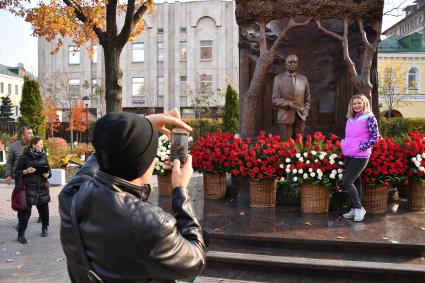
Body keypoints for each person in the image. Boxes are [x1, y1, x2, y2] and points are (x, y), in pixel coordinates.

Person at [59, 110, 206, 283]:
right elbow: (195, 262)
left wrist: (139, 127)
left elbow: (101, 154)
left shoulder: (71, 195)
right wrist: (180, 191)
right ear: (146, 163)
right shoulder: (153, 226)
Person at [341, 94, 379, 222]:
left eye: (359, 103)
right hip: (348, 154)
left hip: (361, 155)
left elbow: (375, 137)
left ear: (364, 104)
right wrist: (344, 143)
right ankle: (355, 208)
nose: (357, 105)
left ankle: (359, 208)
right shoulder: (351, 119)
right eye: (354, 103)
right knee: (356, 182)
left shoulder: (370, 118)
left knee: (347, 182)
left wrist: (362, 147)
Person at [14, 136, 51, 244]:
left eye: (42, 144)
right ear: (34, 145)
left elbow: (49, 171)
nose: (42, 146)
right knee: (25, 212)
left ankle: (45, 227)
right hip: (28, 189)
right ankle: (21, 234)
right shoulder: (24, 158)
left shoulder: (44, 156)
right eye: (40, 144)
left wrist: (47, 174)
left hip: (42, 188)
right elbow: (16, 172)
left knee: (44, 210)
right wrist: (26, 171)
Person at [272, 54, 311, 141]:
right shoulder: (278, 79)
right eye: (290, 62)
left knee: (298, 145)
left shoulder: (303, 79)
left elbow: (307, 98)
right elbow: (275, 99)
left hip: (300, 117)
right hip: (284, 117)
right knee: (285, 146)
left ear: (297, 64)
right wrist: (288, 103)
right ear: (285, 64)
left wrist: (305, 110)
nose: (292, 64)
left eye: (295, 62)